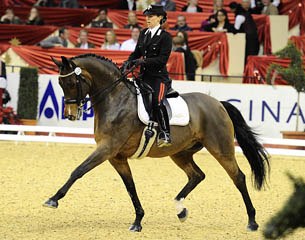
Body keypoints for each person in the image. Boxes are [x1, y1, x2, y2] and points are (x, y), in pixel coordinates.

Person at [121, 4, 173, 147]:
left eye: (150, 16)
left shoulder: (165, 37)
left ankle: (165, 133)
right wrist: (128, 62)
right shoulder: (144, 33)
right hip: (143, 76)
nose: (147, 19)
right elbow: (136, 53)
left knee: (157, 101)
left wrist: (143, 61)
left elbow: (162, 60)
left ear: (160, 18)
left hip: (159, 78)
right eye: (146, 16)